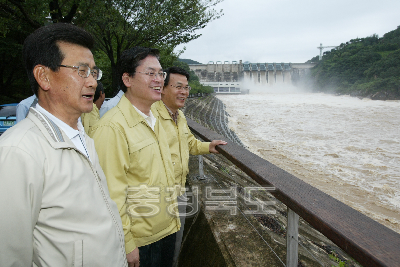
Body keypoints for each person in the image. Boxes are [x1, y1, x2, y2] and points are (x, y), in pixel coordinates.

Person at [0, 23, 127, 266]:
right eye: (81, 71)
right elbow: (9, 255)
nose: (92, 82)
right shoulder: (18, 152)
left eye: (93, 72)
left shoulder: (81, 136)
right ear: (44, 76)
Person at [89, 47, 180, 267]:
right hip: (141, 242)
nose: (158, 80)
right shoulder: (112, 127)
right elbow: (111, 194)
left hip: (168, 229)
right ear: (127, 79)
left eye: (161, 74)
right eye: (150, 73)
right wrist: (127, 243)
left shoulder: (156, 119)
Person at [153, 66, 227, 266]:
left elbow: (190, 144)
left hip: (178, 191)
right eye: (178, 87)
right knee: (155, 252)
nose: (184, 92)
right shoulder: (151, 117)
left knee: (172, 250)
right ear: (163, 88)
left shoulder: (180, 116)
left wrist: (208, 146)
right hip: (157, 196)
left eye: (186, 88)